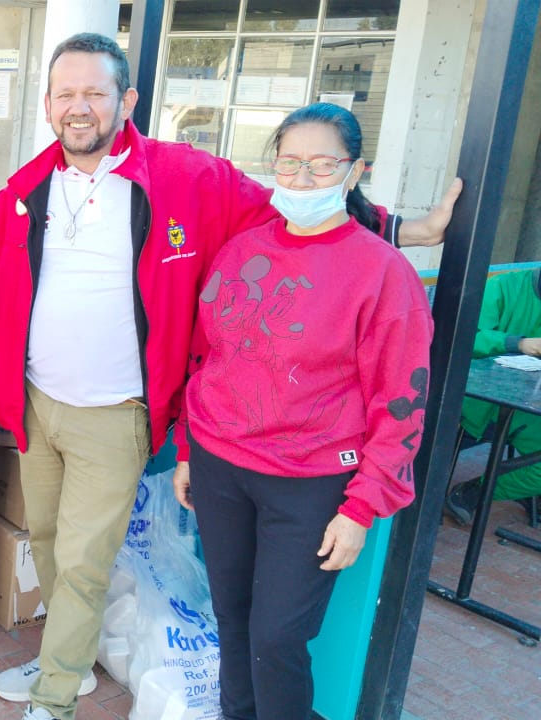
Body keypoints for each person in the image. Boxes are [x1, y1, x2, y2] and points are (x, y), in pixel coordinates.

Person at [0, 33, 458, 720]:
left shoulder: (187, 177)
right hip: (41, 402)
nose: (79, 107)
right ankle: (64, 656)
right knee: (50, 545)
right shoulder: (29, 185)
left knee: (84, 558)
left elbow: (300, 210)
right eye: (65, 93)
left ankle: (56, 693)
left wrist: (406, 230)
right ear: (46, 104)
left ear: (125, 99)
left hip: (121, 411)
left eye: (95, 92)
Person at [172, 102, 432, 719]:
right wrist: (187, 450)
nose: (302, 180)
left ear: (354, 171)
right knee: (231, 619)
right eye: (290, 164)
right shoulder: (241, 251)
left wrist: (361, 507)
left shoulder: (382, 272)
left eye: (322, 166)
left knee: (277, 638)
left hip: (311, 483)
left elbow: (402, 402)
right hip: (220, 467)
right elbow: (206, 355)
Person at [444, 268, 541, 523]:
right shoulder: (501, 288)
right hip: (476, 405)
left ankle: (482, 489)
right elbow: (462, 335)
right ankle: (473, 493)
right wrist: (518, 343)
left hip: (528, 410)